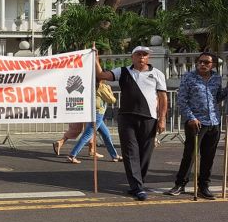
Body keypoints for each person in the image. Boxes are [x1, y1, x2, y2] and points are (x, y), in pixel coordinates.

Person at [96, 46, 167, 201]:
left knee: (145, 153)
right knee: (130, 152)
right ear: (132, 57)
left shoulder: (157, 74)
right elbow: (101, 75)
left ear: (148, 58)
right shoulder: (122, 71)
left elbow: (163, 98)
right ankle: (137, 187)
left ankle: (138, 183)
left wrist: (162, 119)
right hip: (127, 118)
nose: (141, 57)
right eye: (138, 54)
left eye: (144, 55)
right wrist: (95, 58)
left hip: (149, 118)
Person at [164, 52, 226, 200]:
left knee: (208, 157)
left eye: (206, 62)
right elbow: (181, 100)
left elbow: (217, 98)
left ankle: (204, 186)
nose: (202, 64)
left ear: (213, 65)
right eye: (200, 62)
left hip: (213, 121)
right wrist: (191, 118)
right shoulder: (189, 77)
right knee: (190, 155)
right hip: (196, 122)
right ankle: (180, 184)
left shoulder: (216, 78)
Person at [66, 80, 123, 163]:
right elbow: (112, 100)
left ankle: (115, 156)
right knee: (87, 136)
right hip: (98, 115)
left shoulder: (91, 85)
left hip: (94, 113)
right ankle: (72, 156)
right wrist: (110, 90)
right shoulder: (101, 87)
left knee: (106, 134)